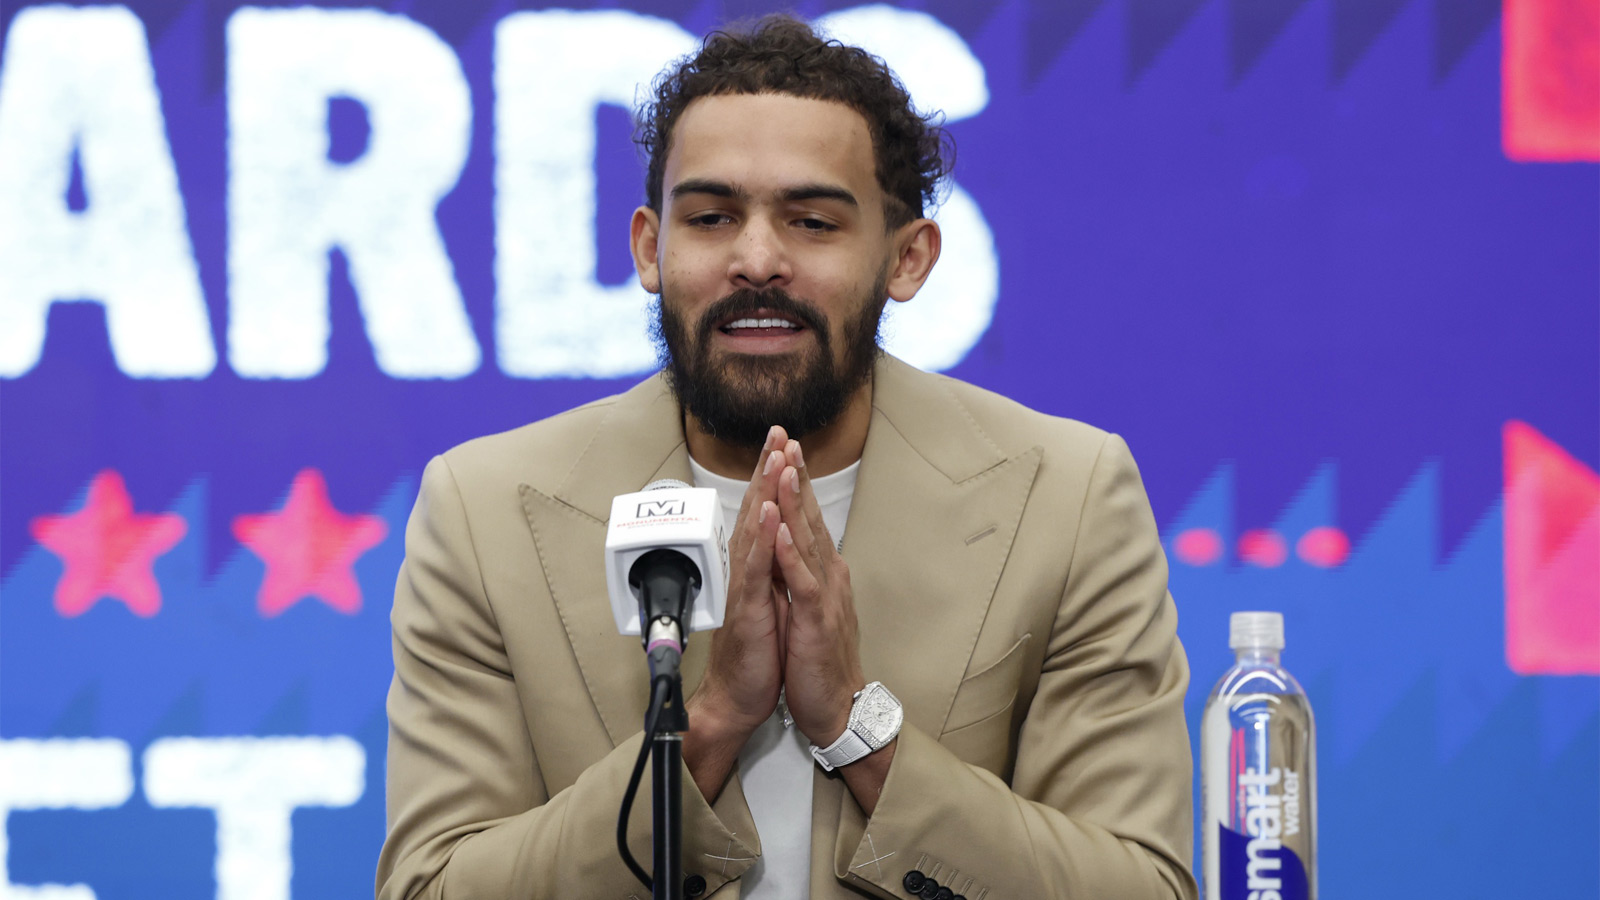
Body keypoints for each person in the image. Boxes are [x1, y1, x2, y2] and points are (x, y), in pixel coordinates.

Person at [377, 14, 1194, 900]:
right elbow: (431, 888)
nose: (756, 259)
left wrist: (857, 727)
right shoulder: (485, 511)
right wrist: (710, 726)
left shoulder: (1066, 500)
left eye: (811, 221)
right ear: (652, 248)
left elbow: (1144, 886)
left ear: (906, 258)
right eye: (712, 216)